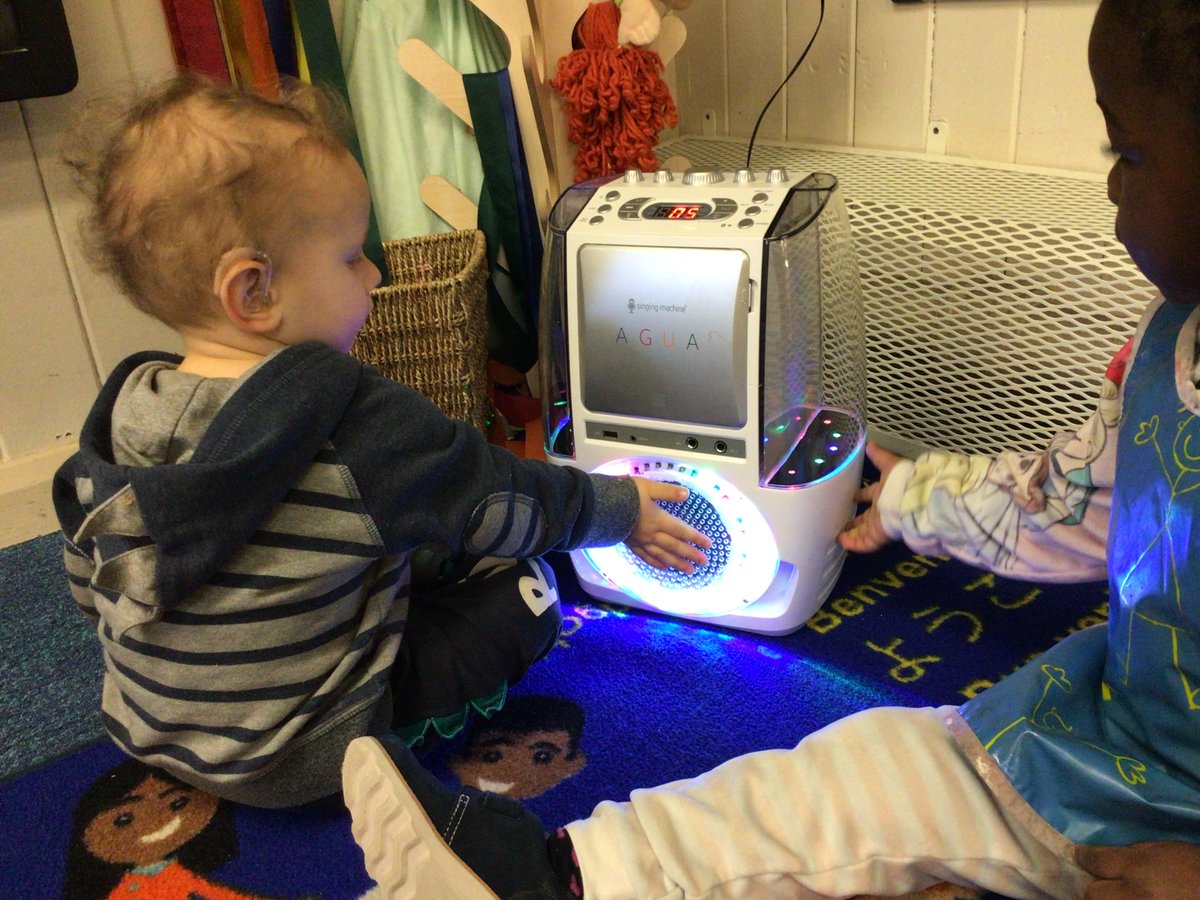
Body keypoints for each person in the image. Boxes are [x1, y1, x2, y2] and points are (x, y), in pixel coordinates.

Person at [338, 0, 1200, 895]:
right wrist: (915, 498)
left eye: (1128, 155)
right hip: (1093, 738)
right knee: (857, 766)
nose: (1110, 188)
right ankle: (554, 872)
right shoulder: (1161, 350)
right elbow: (1070, 502)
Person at [52, 74, 710, 810]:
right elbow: (501, 498)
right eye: (350, 257)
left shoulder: (117, 421)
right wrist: (619, 510)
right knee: (525, 589)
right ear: (253, 293)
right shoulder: (349, 418)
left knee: (381, 526)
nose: (373, 275)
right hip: (305, 757)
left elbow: (94, 584)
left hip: (150, 733)